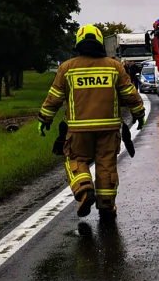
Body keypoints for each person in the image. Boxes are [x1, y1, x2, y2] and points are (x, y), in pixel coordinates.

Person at [37, 25, 145, 219]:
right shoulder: (114, 67)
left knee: (76, 159)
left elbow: (54, 97)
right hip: (109, 129)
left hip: (78, 130)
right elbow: (130, 94)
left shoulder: (67, 68)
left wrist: (44, 119)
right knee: (106, 164)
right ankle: (106, 205)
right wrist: (139, 114)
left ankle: (84, 189)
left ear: (78, 43)